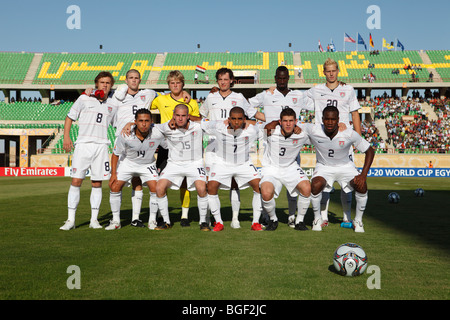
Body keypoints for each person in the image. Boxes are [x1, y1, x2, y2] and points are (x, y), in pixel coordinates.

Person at [200, 68, 264, 227]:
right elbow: (202, 117)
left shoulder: (239, 97)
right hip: (213, 145)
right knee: (209, 183)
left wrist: (273, 118)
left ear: (231, 80)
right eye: (220, 79)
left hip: (233, 143)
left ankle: (235, 218)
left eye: (226, 79)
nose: (223, 82)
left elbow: (252, 115)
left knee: (235, 181)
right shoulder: (210, 97)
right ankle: (207, 218)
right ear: (217, 81)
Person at [303, 58, 362, 226]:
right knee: (324, 179)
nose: (331, 73)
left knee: (348, 181)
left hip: (344, 140)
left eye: (333, 70)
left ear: (338, 71)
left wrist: (357, 138)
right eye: (328, 71)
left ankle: (346, 217)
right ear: (324, 72)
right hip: (324, 140)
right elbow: (297, 98)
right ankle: (323, 216)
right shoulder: (316, 90)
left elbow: (355, 113)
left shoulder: (348, 89)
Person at [60, 71, 119, 230]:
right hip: (83, 145)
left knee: (97, 182)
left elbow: (116, 123)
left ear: (111, 86)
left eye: (108, 83)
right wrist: (66, 137)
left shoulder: (113, 104)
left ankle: (94, 220)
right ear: (96, 84)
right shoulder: (84, 98)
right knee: (76, 181)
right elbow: (69, 117)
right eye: (102, 82)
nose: (105, 85)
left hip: (101, 146)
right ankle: (70, 220)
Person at [249, 66, 306, 227]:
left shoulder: (297, 95)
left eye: (284, 78)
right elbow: (246, 105)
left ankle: (292, 216)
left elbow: (319, 102)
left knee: (293, 184)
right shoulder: (268, 94)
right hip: (271, 143)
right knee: (268, 182)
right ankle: (268, 216)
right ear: (275, 78)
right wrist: (264, 119)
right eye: (279, 78)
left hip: (292, 144)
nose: (281, 81)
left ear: (288, 78)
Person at [304, 106, 374, 232]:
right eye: (327, 119)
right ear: (322, 119)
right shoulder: (314, 129)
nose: (330, 122)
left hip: (346, 167)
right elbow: (291, 123)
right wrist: (275, 123)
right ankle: (317, 219)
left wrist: (363, 175)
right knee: (315, 185)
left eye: (333, 119)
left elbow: (369, 151)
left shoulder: (349, 134)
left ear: (338, 120)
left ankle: (358, 221)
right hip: (324, 167)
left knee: (361, 185)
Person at [150, 70, 200, 227]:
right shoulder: (160, 99)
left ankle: (184, 215)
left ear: (183, 84)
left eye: (178, 83)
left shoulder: (191, 102)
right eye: (172, 83)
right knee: (159, 181)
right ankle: (160, 215)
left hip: (184, 146)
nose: (175, 85)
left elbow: (199, 120)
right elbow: (144, 99)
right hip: (165, 146)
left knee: (185, 181)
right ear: (168, 85)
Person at [203, 107, 263, 231]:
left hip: (244, 164)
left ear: (244, 119)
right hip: (222, 163)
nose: (236, 122)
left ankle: (255, 222)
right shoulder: (219, 127)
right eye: (233, 119)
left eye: (240, 119)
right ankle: (218, 222)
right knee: (211, 187)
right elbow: (200, 123)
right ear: (228, 119)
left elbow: (268, 124)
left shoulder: (251, 130)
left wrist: (251, 123)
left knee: (259, 186)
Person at [106, 109, 165, 230]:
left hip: (147, 164)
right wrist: (113, 174)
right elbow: (116, 154)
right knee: (115, 186)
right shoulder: (125, 135)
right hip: (128, 162)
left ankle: (152, 220)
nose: (144, 124)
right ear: (135, 122)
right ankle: (116, 221)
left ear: (151, 122)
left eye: (147, 121)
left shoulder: (157, 133)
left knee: (156, 188)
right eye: (141, 121)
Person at [154, 104, 209, 230]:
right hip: (174, 164)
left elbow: (215, 123)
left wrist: (197, 119)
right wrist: (129, 124)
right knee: (159, 187)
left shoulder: (198, 126)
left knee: (201, 188)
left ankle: (203, 222)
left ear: (188, 116)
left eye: (183, 116)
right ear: (173, 116)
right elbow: (149, 126)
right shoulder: (166, 127)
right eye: (177, 115)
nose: (180, 119)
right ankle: (166, 221)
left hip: (195, 163)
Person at [259, 108, 311, 231]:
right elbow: (265, 128)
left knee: (307, 187)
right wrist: (275, 123)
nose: (288, 124)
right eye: (285, 121)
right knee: (266, 192)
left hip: (290, 167)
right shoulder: (272, 132)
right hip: (272, 168)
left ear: (296, 121)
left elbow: (320, 130)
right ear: (280, 122)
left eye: (291, 121)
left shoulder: (302, 134)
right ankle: (273, 219)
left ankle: (299, 221)